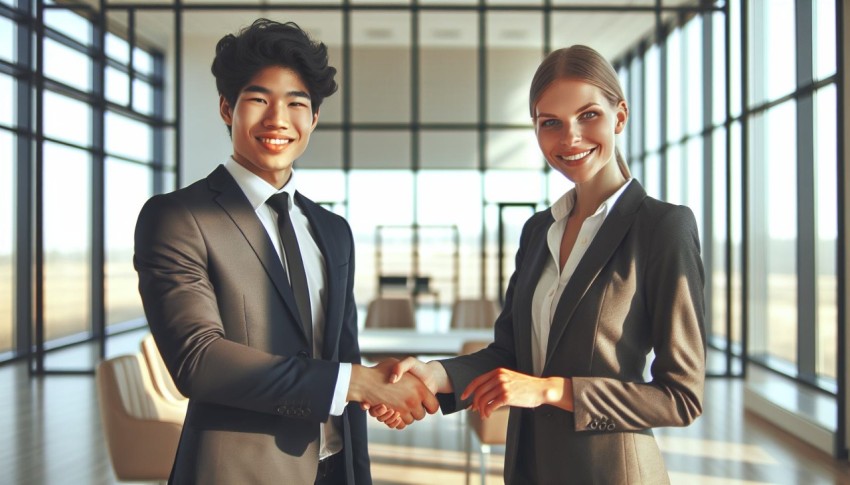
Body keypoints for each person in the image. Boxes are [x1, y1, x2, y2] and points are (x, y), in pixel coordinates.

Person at [375, 45, 705, 484]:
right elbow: (510, 355)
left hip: (611, 472)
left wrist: (549, 390)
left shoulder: (662, 227)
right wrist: (434, 374)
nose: (570, 138)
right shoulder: (538, 231)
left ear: (620, 116)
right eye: (551, 123)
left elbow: (681, 397)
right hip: (528, 468)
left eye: (588, 115)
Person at [134, 18, 437, 485]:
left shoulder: (332, 230)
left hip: (336, 467)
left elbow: (343, 355)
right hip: (237, 474)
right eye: (259, 100)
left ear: (313, 118)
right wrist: (358, 382)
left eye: (296, 103)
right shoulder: (179, 217)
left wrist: (375, 393)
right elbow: (198, 360)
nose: (278, 119)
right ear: (227, 108)